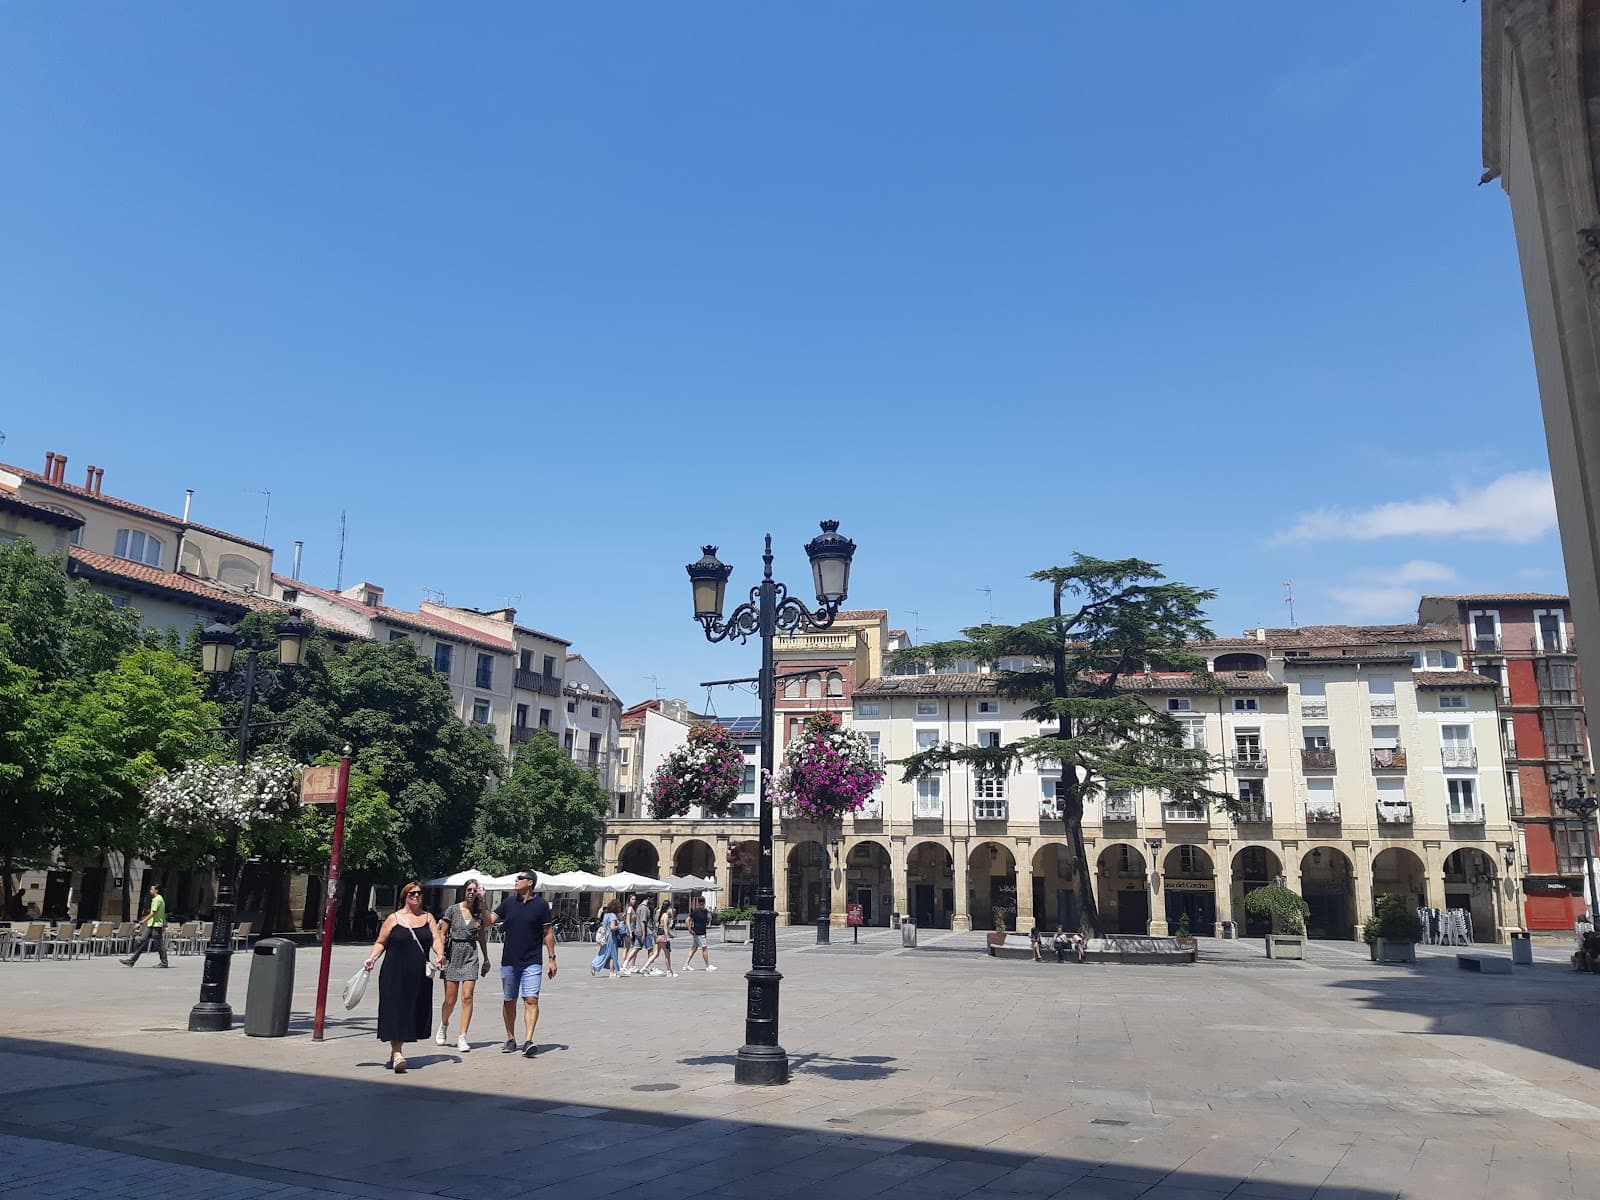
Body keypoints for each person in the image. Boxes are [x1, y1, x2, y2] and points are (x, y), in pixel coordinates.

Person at [363, 882, 444, 1074]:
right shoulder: (394, 918)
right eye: (412, 893)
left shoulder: (428, 918)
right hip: (394, 972)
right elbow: (381, 942)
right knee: (396, 1010)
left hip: (418, 974)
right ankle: (398, 1052)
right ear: (404, 896)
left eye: (419, 893)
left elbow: (436, 939)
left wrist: (440, 954)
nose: (416, 896)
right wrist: (372, 958)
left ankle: (395, 1050)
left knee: (411, 1011)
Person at [485, 871, 556, 1057]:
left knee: (531, 999)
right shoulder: (508, 903)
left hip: (532, 961)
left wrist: (552, 958)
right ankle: (510, 1038)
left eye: (519, 878)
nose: (516, 881)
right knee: (509, 1000)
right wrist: (482, 901)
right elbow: (489, 921)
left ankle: (528, 1040)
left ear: (530, 883)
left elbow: (548, 932)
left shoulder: (541, 905)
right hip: (509, 960)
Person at [436, 879, 491, 1052]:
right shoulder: (453, 910)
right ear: (464, 891)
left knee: (467, 997)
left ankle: (462, 1036)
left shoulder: (478, 913)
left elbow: (483, 934)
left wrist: (486, 958)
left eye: (475, 890)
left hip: (470, 955)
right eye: (469, 889)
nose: (472, 893)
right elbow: (442, 933)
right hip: (453, 955)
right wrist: (440, 954)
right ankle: (444, 1024)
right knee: (450, 1000)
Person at [121, 883, 169, 968]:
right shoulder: (159, 899)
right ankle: (131, 961)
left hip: (156, 925)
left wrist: (141, 922)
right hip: (151, 925)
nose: (150, 890)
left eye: (152, 889)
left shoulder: (157, 900)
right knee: (142, 941)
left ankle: (164, 962)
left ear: (156, 890)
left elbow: (152, 913)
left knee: (159, 944)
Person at [682, 895, 717, 973]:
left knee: (694, 948)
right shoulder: (697, 911)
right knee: (704, 949)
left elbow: (688, 920)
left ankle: (686, 965)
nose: (702, 904)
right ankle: (707, 966)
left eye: (702, 903)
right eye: (701, 903)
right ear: (700, 903)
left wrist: (690, 930)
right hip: (699, 933)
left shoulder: (704, 911)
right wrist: (689, 929)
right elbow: (687, 920)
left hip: (699, 933)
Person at [590, 900, 623, 978]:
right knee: (613, 954)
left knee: (605, 952)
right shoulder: (613, 916)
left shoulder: (606, 915)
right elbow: (612, 927)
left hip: (606, 936)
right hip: (611, 937)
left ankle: (599, 966)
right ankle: (610, 971)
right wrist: (619, 926)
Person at [647, 896, 676, 978]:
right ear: (668, 907)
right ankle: (669, 971)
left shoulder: (659, 914)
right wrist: (667, 938)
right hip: (663, 936)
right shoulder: (665, 915)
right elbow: (665, 928)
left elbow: (659, 926)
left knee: (656, 954)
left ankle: (645, 967)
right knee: (667, 954)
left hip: (658, 936)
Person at [628, 894, 654, 976]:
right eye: (652, 899)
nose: (652, 901)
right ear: (648, 898)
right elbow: (643, 921)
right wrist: (644, 933)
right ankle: (649, 967)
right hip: (646, 931)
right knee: (650, 949)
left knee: (636, 948)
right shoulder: (644, 908)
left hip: (638, 931)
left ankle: (625, 964)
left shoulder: (638, 907)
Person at [617, 896, 636, 975]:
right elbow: (627, 920)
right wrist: (630, 931)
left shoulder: (628, 908)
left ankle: (624, 965)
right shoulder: (630, 908)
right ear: (629, 900)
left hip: (627, 930)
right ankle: (629, 965)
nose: (634, 901)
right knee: (635, 948)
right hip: (630, 930)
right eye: (632, 899)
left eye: (635, 899)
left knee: (627, 948)